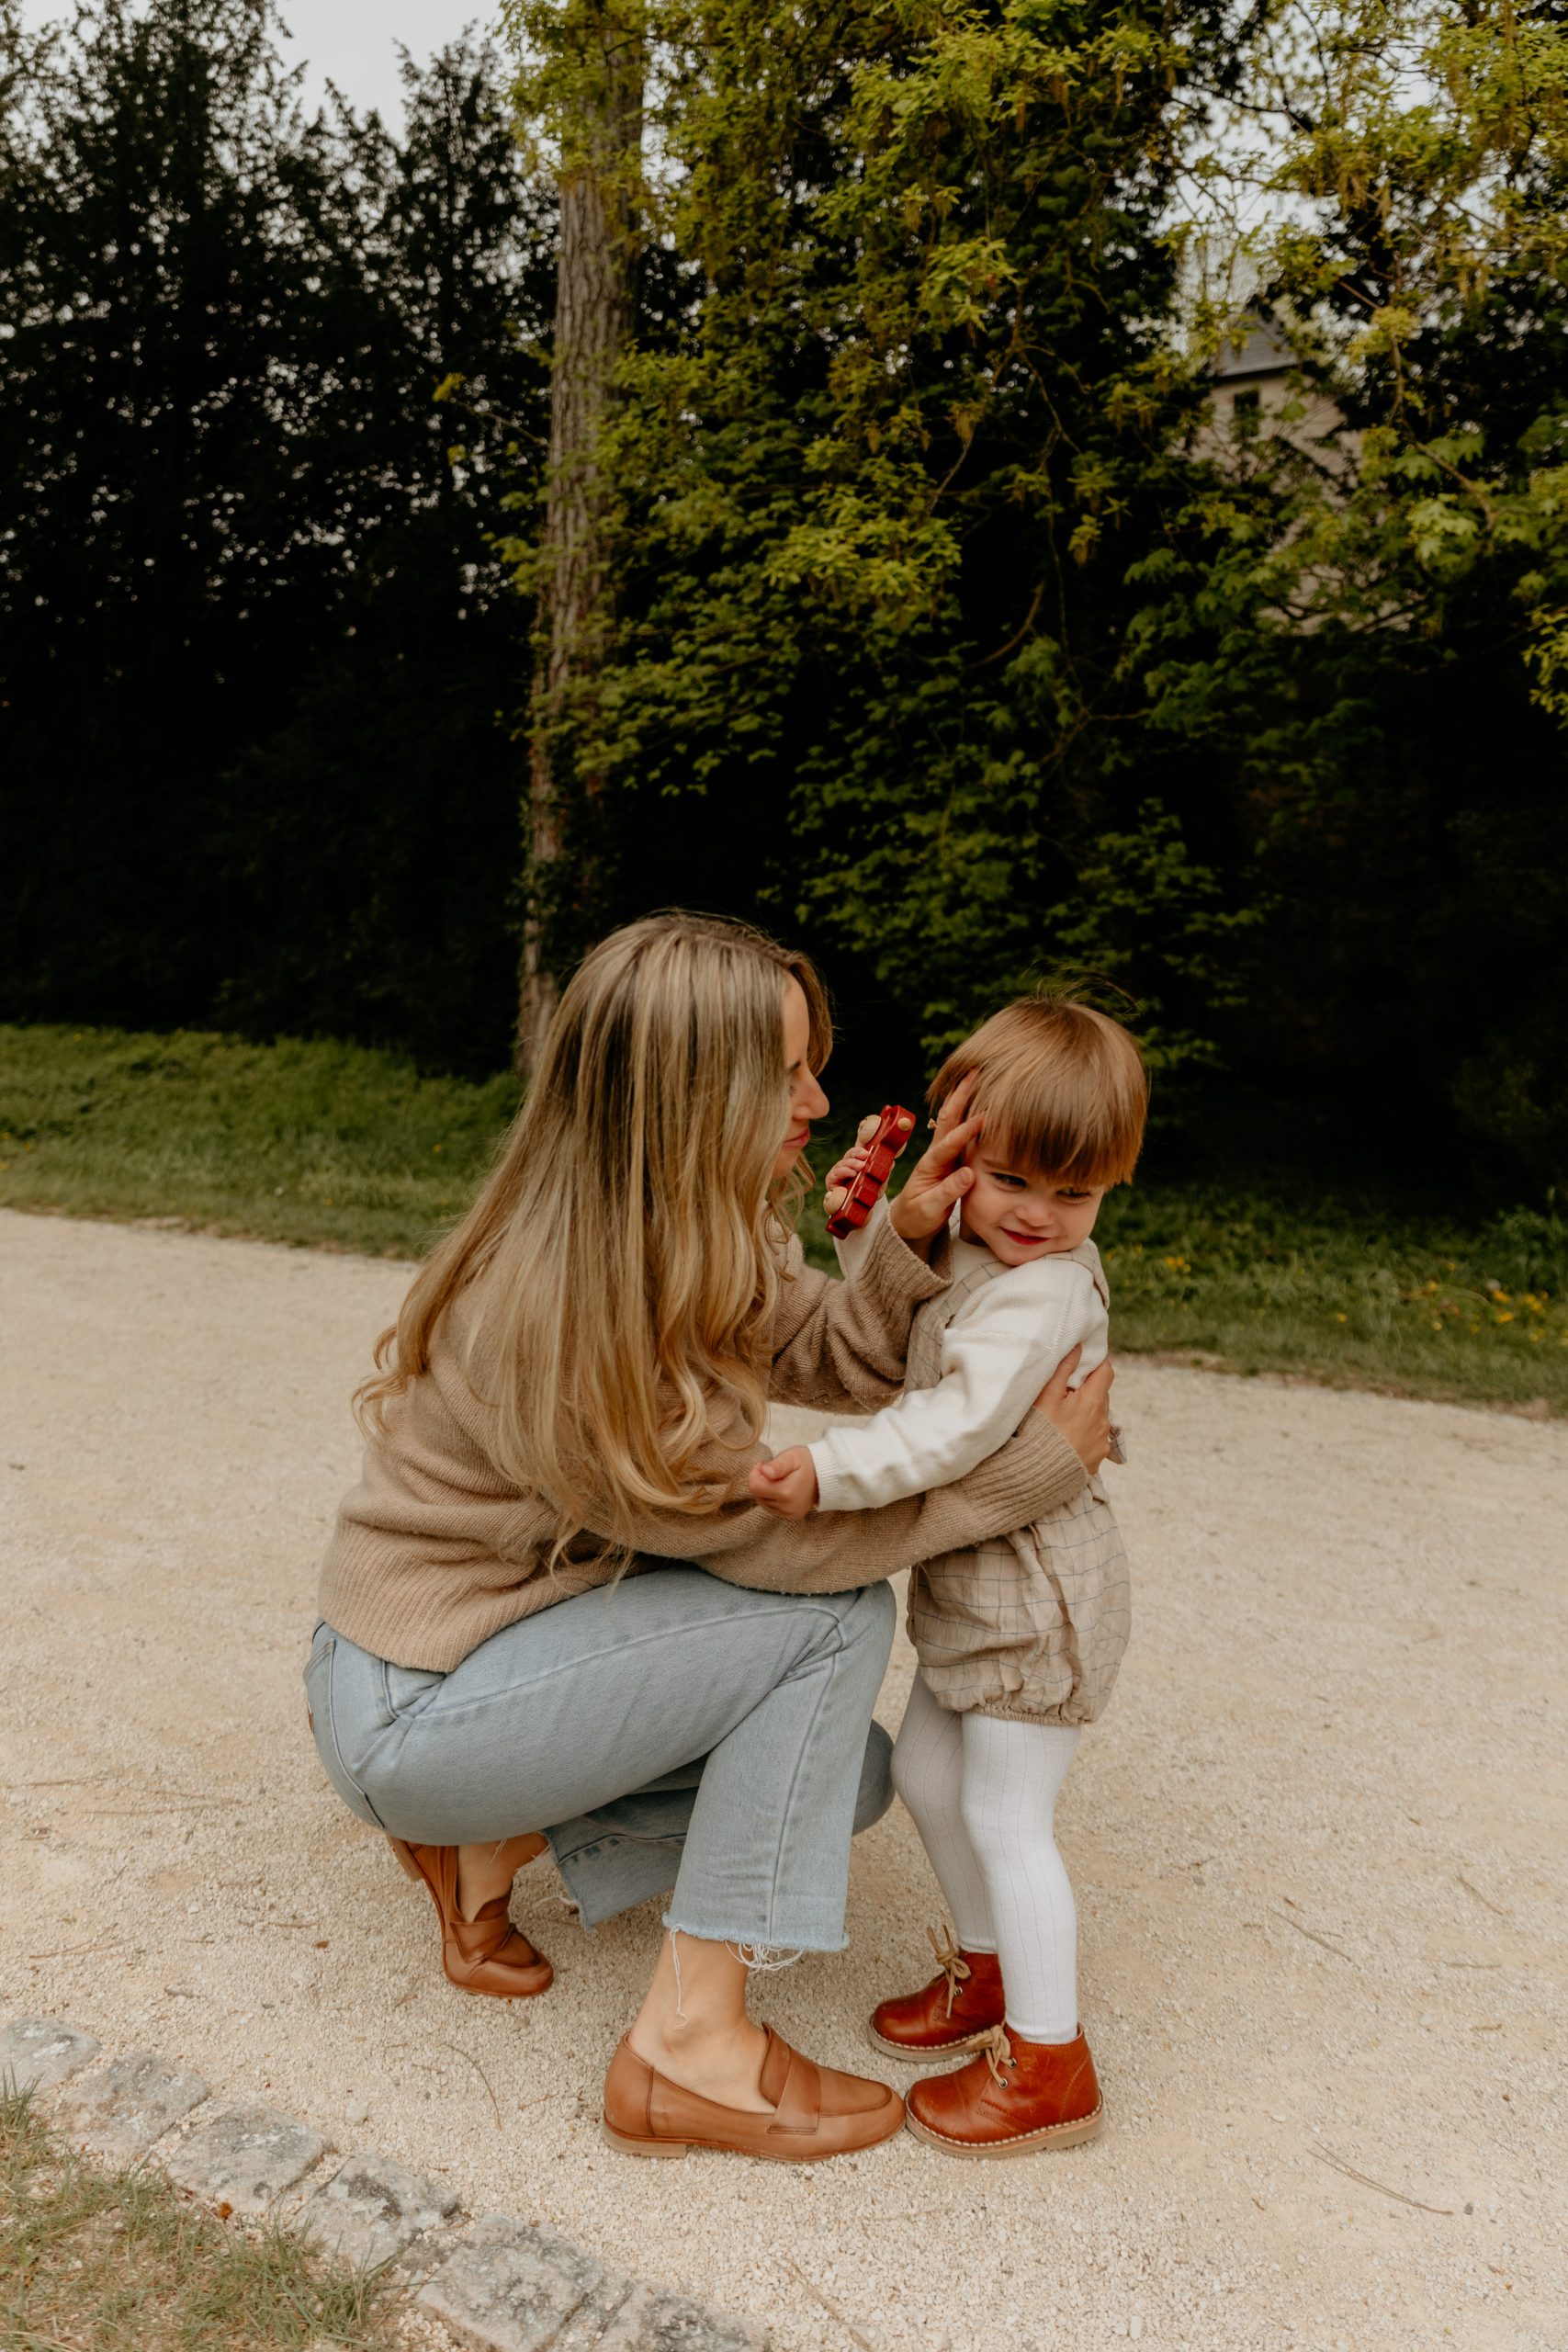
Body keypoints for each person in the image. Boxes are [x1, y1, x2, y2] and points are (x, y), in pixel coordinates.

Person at [305, 915, 1113, 2162]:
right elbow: (769, 1549)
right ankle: (691, 2048)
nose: (818, 1099)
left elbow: (836, 1356)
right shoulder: (570, 1312)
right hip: (419, 1702)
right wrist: (1023, 1480)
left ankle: (485, 1847)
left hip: (500, 1655)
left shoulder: (696, 1220)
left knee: (842, 1780)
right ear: (689, 1095)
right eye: (785, 1073)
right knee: (832, 1626)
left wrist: (906, 1239)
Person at [749, 993, 1145, 2156]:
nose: (1036, 1215)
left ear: (1111, 1186)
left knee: (1008, 1815)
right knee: (929, 1773)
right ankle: (990, 1967)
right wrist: (869, 1234)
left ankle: (1051, 2062)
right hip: (979, 1583)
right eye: (1008, 1178)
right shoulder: (983, 1248)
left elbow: (951, 1422)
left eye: (1075, 1194)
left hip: (1037, 1595)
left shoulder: (1042, 1290)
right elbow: (920, 1331)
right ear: (958, 1145)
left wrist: (829, 1470)